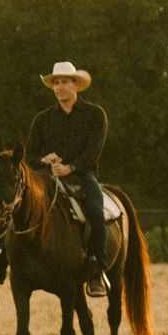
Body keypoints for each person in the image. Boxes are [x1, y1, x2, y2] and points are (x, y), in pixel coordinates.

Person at [27, 59, 110, 296]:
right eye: (56, 83)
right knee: (16, 204)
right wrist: (44, 160)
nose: (60, 87)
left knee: (95, 211)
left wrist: (70, 167)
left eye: (65, 82)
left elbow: (93, 151)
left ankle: (97, 269)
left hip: (83, 176)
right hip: (47, 177)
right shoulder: (42, 119)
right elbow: (30, 154)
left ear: (76, 85)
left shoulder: (95, 115)